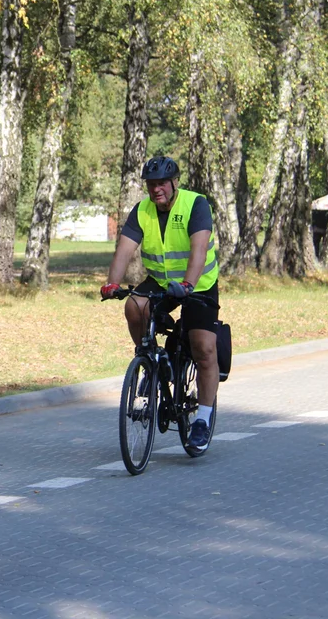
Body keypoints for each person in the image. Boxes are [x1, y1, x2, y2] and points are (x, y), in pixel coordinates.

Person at [100, 155, 220, 449]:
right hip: (162, 281)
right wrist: (111, 283)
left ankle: (202, 419)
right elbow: (125, 250)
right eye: (151, 185)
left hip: (198, 283)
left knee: (203, 348)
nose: (156, 190)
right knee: (134, 305)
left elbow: (199, 251)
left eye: (162, 184)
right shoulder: (142, 211)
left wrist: (189, 285)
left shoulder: (195, 204)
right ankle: (150, 357)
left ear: (174, 182)